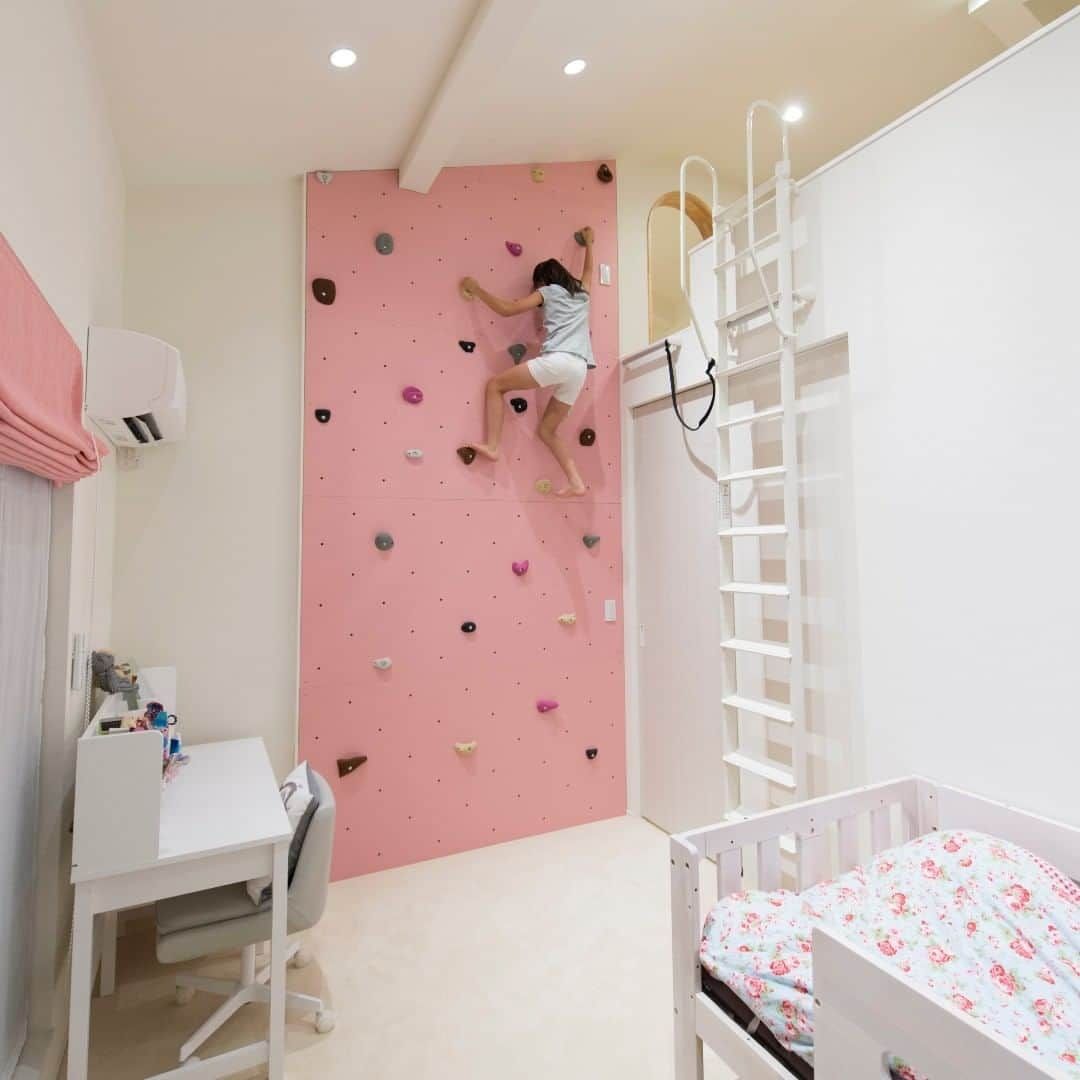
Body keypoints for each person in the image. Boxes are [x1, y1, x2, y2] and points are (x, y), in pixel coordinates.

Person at [460, 227, 595, 497]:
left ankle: (493, 446)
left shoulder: (549, 291)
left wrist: (477, 290)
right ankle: (576, 482)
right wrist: (589, 244)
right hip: (580, 369)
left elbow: (508, 309)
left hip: (559, 360)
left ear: (543, 281)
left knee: (495, 385)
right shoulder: (582, 294)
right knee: (547, 430)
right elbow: (589, 271)